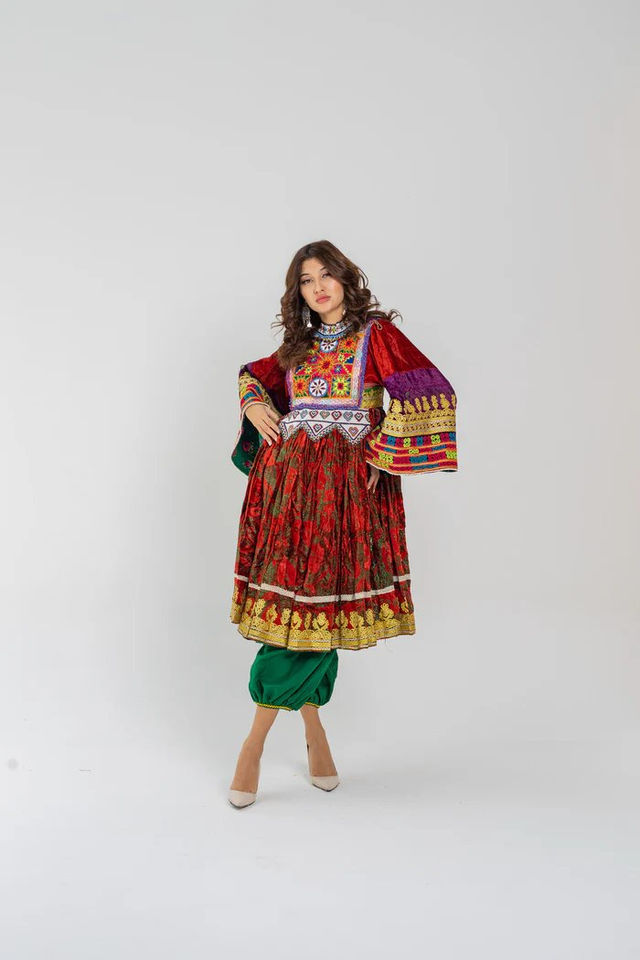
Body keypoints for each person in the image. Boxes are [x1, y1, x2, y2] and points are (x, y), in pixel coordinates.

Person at [227, 240, 458, 808]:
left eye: (326, 275)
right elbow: (253, 376)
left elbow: (431, 391)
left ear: (346, 279)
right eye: (306, 281)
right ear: (298, 292)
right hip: (286, 487)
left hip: (346, 490)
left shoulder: (377, 336)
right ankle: (304, 734)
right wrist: (253, 402)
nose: (318, 288)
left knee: (318, 611)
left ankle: (258, 743)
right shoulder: (298, 346)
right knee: (295, 608)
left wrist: (384, 452)